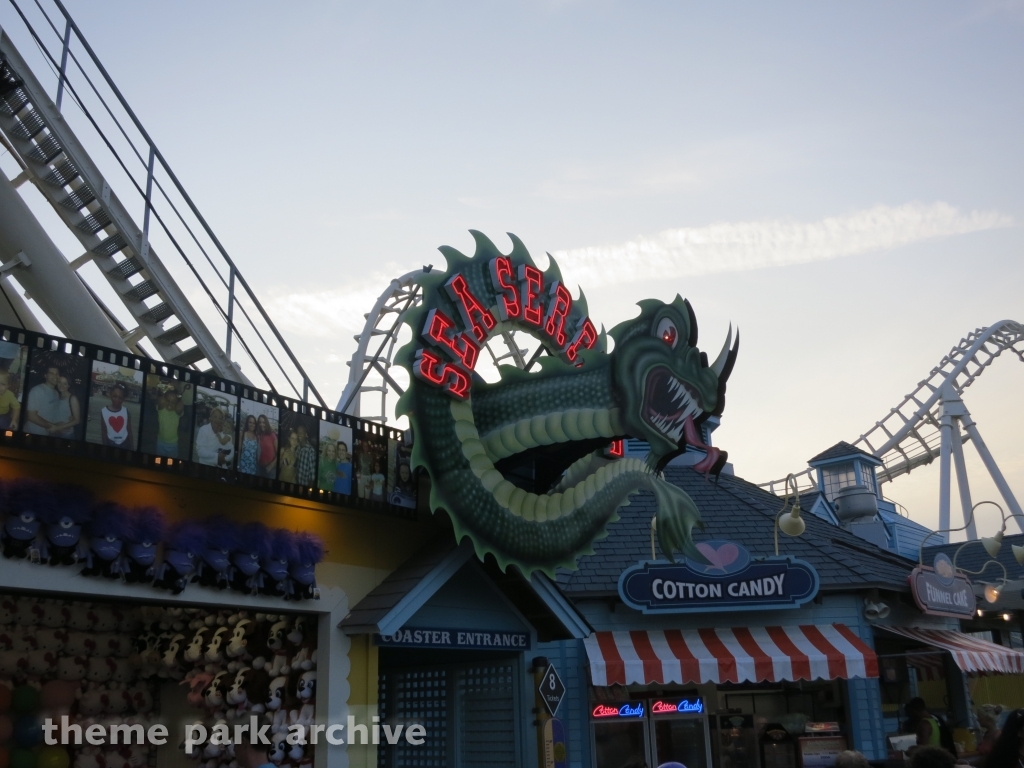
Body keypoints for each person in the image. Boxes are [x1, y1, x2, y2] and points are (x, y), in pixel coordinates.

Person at [24, 365, 60, 435]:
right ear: (45, 375)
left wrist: (59, 424)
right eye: (51, 373)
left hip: (47, 433)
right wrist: (51, 426)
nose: (55, 376)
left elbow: (52, 412)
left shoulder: (56, 393)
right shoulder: (37, 390)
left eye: (57, 373)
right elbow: (31, 416)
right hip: (33, 432)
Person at [156, 389, 184, 457]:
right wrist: (168, 395)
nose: (170, 404)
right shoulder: (161, 410)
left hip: (172, 443)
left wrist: (179, 399)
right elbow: (161, 400)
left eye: (173, 403)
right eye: (168, 401)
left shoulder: (176, 413)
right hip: (160, 441)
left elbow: (180, 406)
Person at [256, 414, 278, 478]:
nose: (261, 424)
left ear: (266, 423)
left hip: (270, 469)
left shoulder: (272, 435)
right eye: (260, 422)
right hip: (259, 468)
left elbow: (278, 454)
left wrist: (271, 465)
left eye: (263, 422)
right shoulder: (258, 436)